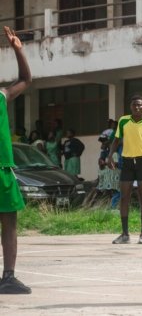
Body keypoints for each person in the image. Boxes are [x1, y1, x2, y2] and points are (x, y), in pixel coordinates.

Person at [0, 26, 32, 294]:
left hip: (3, 172)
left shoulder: (1, 96)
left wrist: (18, 50)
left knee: (10, 223)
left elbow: (26, 78)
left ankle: (8, 276)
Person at [108, 95, 142, 245]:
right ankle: (125, 234)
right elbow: (116, 140)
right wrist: (110, 156)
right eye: (134, 105)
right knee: (124, 197)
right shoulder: (124, 121)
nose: (136, 107)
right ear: (130, 107)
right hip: (127, 162)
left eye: (139, 105)